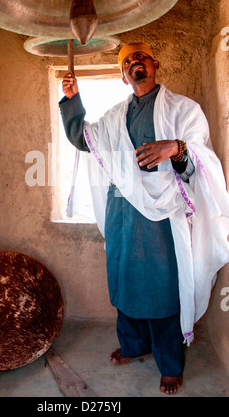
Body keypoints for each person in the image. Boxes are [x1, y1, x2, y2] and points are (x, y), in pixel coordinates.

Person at [59, 42, 229, 394]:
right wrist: (72, 100)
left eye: (141, 57)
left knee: (162, 288)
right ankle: (135, 345)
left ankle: (168, 361)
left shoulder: (184, 110)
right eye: (127, 61)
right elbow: (84, 139)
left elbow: (202, 157)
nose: (135, 61)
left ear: (155, 64)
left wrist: (176, 147)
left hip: (163, 214)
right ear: (123, 76)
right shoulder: (115, 116)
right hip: (122, 211)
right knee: (124, 281)